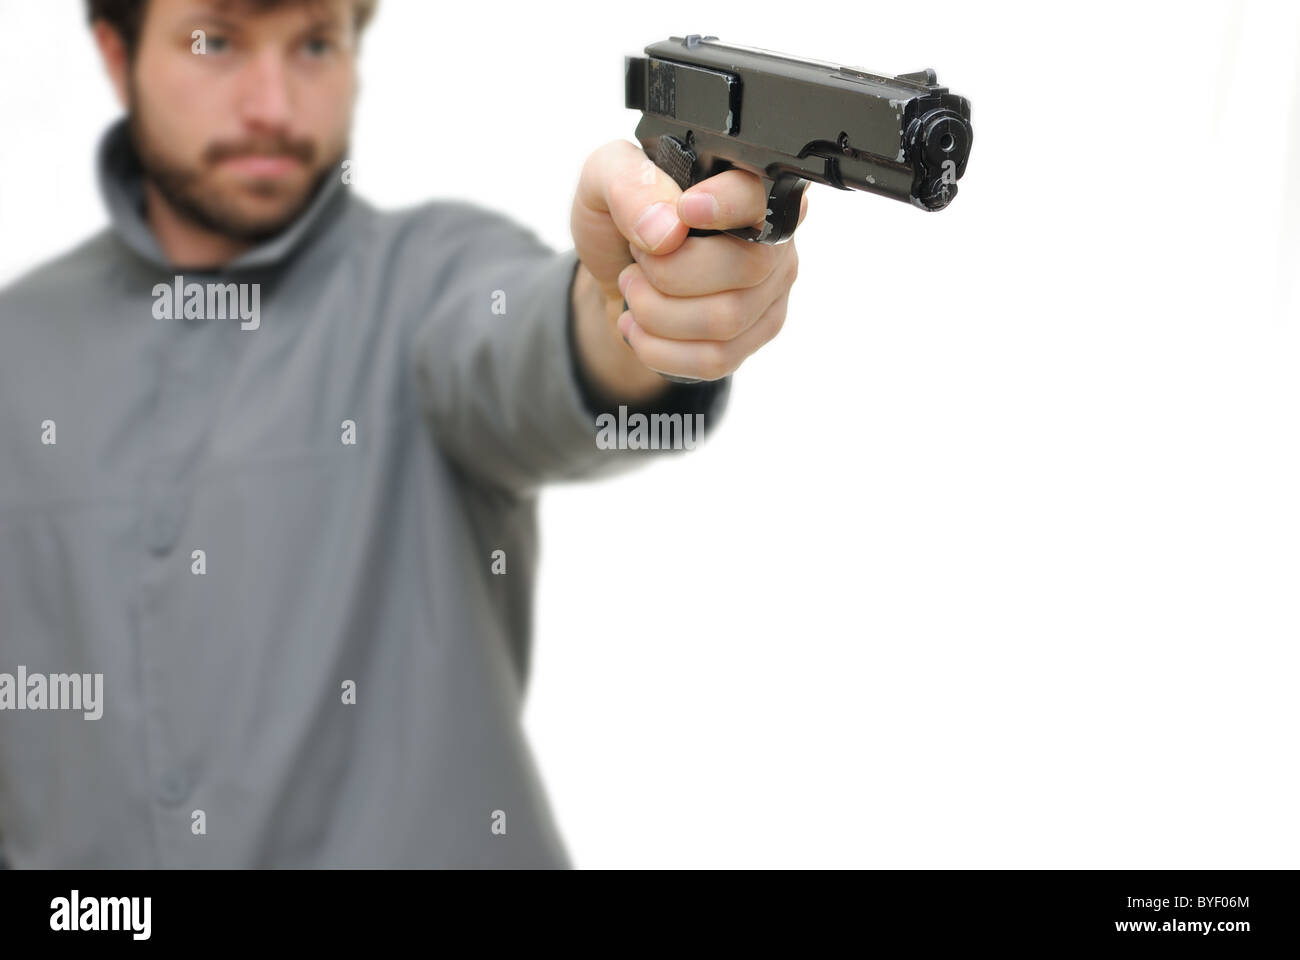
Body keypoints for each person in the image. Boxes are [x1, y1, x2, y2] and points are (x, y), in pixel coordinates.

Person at [0, 0, 804, 867]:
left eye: (315, 43)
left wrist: (632, 307)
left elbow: (530, 347)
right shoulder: (18, 349)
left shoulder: (430, 279)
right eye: (217, 42)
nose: (272, 102)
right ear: (117, 55)